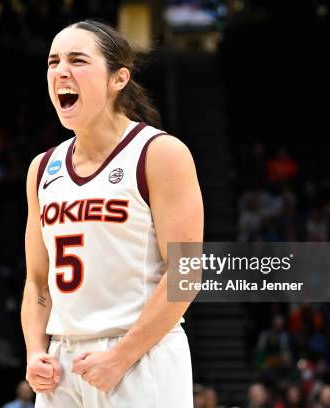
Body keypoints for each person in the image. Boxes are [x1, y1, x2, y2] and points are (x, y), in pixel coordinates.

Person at [21, 20, 203, 408]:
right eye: (53, 62)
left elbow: (186, 272)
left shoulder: (159, 154)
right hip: (63, 364)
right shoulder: (42, 168)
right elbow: (37, 282)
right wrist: (35, 351)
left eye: (77, 60)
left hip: (140, 355)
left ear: (118, 79)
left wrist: (121, 357)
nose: (61, 71)